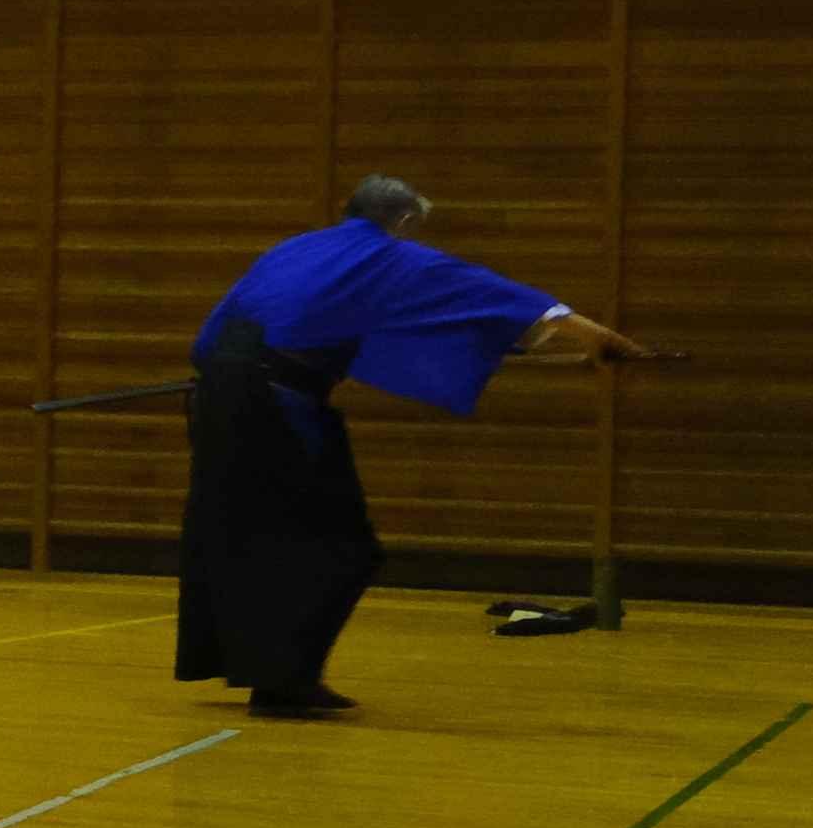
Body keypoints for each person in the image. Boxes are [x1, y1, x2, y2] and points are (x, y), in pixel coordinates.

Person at [182, 175, 653, 718]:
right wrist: (597, 336)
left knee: (239, 536)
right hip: (276, 409)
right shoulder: (388, 257)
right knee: (345, 547)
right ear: (404, 223)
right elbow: (491, 296)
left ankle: (271, 675)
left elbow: (226, 334)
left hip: (218, 399)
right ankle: (283, 683)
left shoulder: (296, 250)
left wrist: (232, 381)